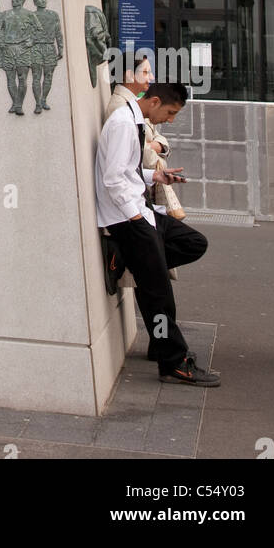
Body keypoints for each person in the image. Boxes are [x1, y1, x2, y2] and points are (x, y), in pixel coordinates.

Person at [95, 80, 219, 387]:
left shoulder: (133, 121)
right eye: (171, 112)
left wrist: (157, 175)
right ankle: (173, 363)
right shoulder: (124, 124)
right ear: (153, 102)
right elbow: (112, 179)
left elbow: (127, 171)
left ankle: (134, 265)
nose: (171, 120)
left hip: (142, 213)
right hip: (130, 219)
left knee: (193, 243)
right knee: (160, 296)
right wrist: (135, 217)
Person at [106, 55, 185, 221]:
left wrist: (158, 145)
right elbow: (142, 154)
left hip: (141, 193)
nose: (151, 77)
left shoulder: (138, 102)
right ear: (129, 75)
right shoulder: (120, 108)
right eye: (146, 72)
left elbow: (157, 137)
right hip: (131, 204)